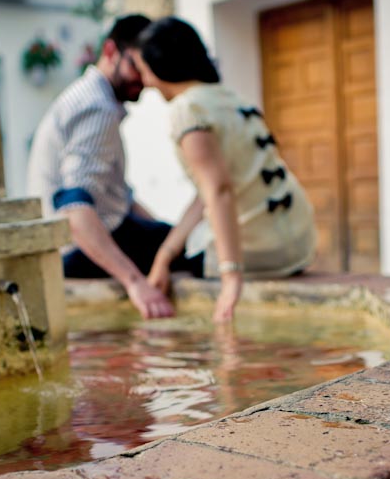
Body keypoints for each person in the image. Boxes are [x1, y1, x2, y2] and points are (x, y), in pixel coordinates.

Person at [132, 17, 317, 322]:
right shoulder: (229, 97)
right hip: (298, 242)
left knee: (132, 248)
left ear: (160, 66)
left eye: (144, 70)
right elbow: (210, 191)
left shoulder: (187, 109)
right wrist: (166, 255)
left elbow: (219, 191)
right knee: (165, 246)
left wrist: (231, 278)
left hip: (259, 251)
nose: (146, 82)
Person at [27, 15, 202, 320]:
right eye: (137, 65)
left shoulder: (90, 98)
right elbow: (75, 211)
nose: (146, 78)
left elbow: (119, 200)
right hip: (73, 253)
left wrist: (167, 240)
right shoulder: (97, 108)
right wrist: (135, 283)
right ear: (110, 51)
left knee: (175, 240)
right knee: (199, 256)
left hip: (88, 238)